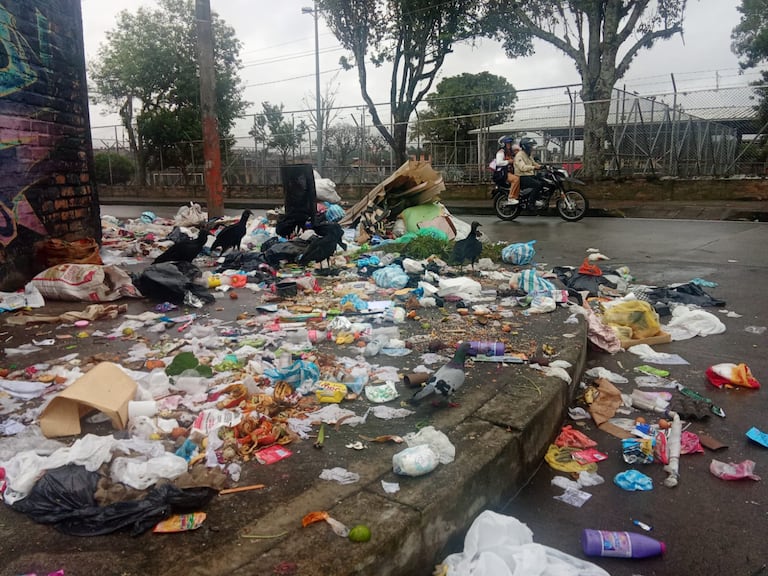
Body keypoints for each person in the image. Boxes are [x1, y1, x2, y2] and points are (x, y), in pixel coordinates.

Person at [492, 136, 520, 205]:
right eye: (508, 143)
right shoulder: (501, 152)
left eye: (510, 143)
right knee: (516, 179)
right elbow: (499, 162)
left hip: (509, 172)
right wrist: (508, 161)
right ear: (503, 144)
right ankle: (511, 197)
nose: (509, 145)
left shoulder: (509, 152)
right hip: (502, 173)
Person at [514, 137, 543, 202]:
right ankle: (531, 202)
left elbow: (534, 163)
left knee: (543, 181)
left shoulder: (528, 155)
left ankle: (539, 198)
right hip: (522, 176)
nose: (532, 148)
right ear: (526, 146)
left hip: (529, 175)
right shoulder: (519, 155)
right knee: (538, 184)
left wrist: (542, 166)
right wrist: (534, 167)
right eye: (530, 146)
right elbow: (522, 167)